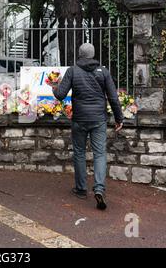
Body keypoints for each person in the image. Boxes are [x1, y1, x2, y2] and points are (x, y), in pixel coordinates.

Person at [50, 43, 123, 210]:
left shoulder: (73, 70)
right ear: (93, 54)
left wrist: (54, 86)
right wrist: (119, 118)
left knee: (80, 153)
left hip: (80, 119)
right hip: (99, 119)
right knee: (99, 154)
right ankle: (99, 188)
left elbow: (61, 95)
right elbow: (113, 97)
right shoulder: (103, 71)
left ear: (80, 54)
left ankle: (81, 189)